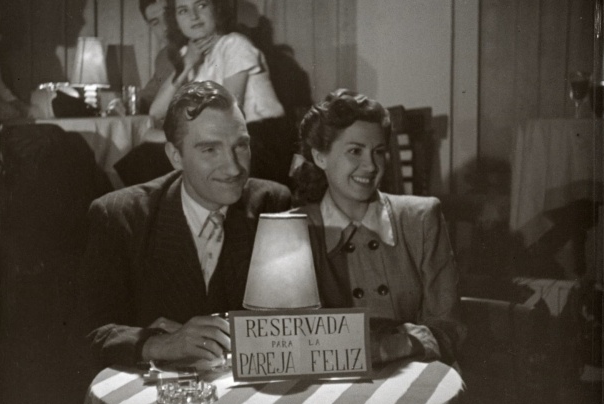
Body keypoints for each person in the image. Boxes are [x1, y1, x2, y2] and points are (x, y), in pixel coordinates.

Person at [74, 80, 292, 370]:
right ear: (175, 156)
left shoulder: (272, 203)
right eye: (210, 150)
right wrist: (159, 344)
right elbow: (88, 335)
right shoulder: (120, 215)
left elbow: (293, 322)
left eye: (241, 145)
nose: (233, 167)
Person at [290, 89, 467, 366]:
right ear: (320, 157)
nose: (371, 166)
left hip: (418, 372)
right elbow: (290, 339)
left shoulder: (421, 218)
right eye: (355, 151)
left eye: (379, 152)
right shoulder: (294, 229)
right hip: (333, 380)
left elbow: (448, 329)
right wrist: (385, 347)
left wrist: (400, 348)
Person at [148, 0, 295, 186]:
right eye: (183, 10)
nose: (193, 16)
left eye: (201, 5)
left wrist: (170, 137)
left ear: (216, 9)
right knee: (147, 158)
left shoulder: (235, 44)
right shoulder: (190, 54)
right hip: (218, 138)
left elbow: (225, 114)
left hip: (259, 141)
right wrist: (186, 65)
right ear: (175, 19)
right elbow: (156, 111)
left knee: (150, 158)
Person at [137, 0, 175, 114]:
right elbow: (148, 96)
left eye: (167, 16)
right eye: (155, 23)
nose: (165, 27)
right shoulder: (163, 57)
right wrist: (120, 103)